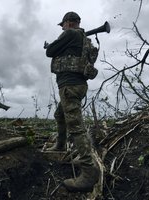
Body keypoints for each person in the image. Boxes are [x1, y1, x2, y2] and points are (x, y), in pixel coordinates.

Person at [45, 11, 100, 192]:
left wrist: (53, 45)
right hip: (77, 85)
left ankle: (89, 172)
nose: (62, 27)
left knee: (75, 126)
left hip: (69, 85)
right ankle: (60, 144)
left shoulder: (70, 34)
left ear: (68, 23)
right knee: (59, 114)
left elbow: (50, 51)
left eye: (63, 24)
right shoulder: (84, 39)